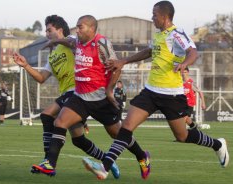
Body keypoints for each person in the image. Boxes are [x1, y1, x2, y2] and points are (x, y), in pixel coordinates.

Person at [84, 1, 229, 180]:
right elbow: (148, 52)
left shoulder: (176, 34)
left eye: (155, 15)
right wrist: (123, 61)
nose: (152, 18)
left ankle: (217, 144)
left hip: (172, 95)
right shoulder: (159, 35)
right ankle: (104, 167)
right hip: (151, 92)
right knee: (126, 127)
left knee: (182, 136)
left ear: (165, 16)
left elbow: (193, 52)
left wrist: (185, 63)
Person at [33, 15, 147, 178]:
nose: (77, 30)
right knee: (60, 121)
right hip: (80, 96)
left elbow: (116, 67)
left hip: (100, 98)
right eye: (77, 27)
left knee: (117, 134)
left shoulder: (101, 43)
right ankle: (50, 163)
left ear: (92, 29)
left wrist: (109, 90)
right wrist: (55, 41)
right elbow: (68, 42)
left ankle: (142, 156)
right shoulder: (76, 42)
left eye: (81, 27)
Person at [13, 15, 123, 178]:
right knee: (78, 140)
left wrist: (58, 40)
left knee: (47, 115)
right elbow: (41, 78)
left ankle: (48, 161)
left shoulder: (73, 41)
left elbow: (77, 45)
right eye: (46, 31)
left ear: (60, 30)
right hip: (68, 95)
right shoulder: (52, 55)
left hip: (78, 92)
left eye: (49, 30)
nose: (47, 33)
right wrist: (26, 65)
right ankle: (108, 159)